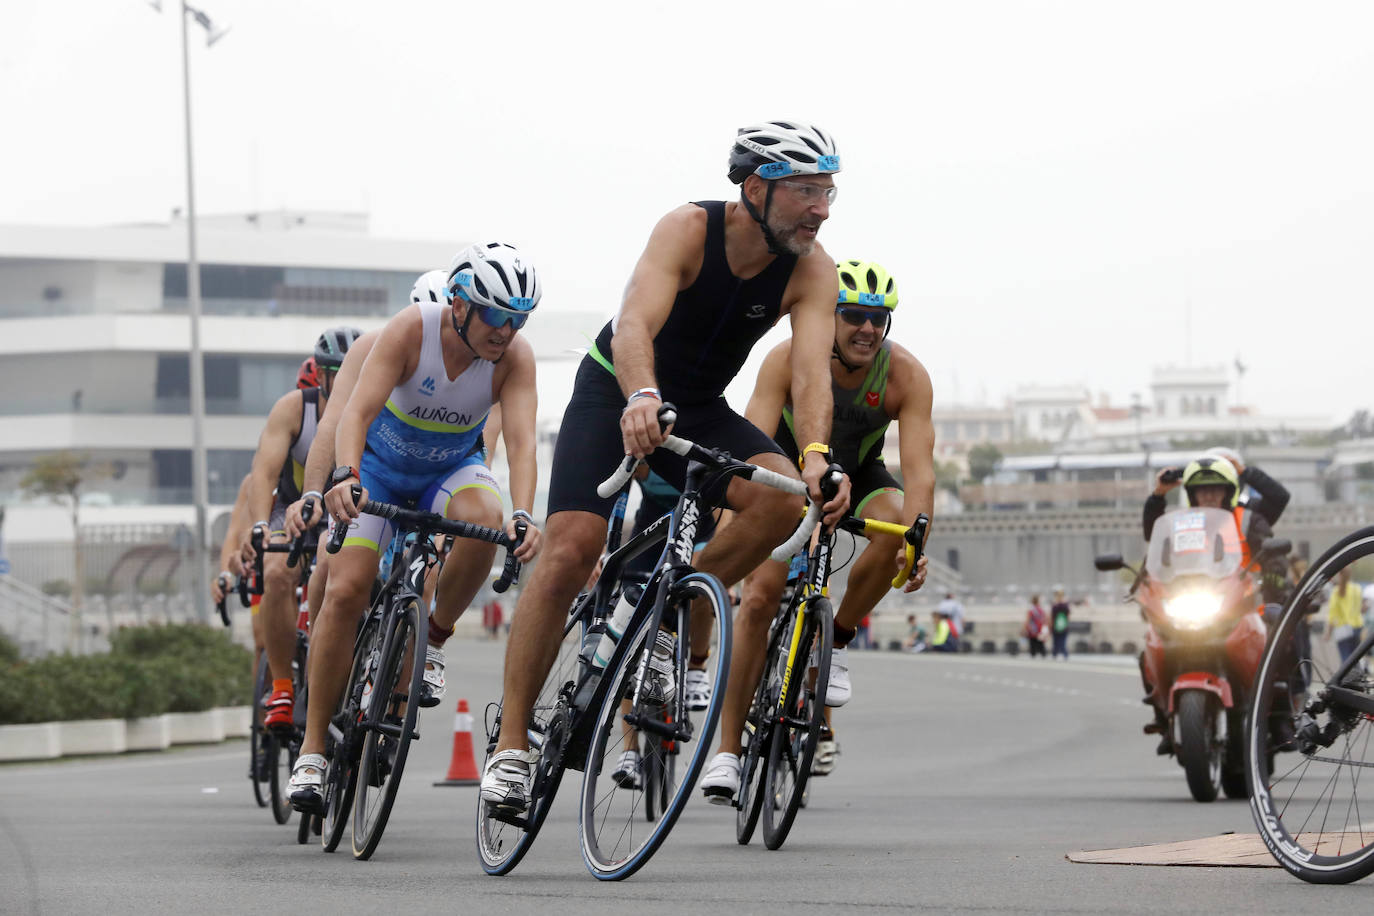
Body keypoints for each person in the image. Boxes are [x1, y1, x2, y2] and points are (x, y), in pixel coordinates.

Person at [480, 121, 851, 815]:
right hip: (616, 385)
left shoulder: (811, 269)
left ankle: (669, 612)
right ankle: (510, 748)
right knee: (571, 549)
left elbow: (810, 375)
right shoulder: (686, 230)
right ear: (756, 188)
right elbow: (633, 326)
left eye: (828, 191)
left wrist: (818, 458)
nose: (822, 208)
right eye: (806, 190)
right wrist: (641, 395)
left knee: (779, 502)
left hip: (703, 407)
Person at [288, 243, 543, 812]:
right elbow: (353, 413)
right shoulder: (411, 330)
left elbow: (523, 444)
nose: (507, 331)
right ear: (459, 305)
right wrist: (344, 476)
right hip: (378, 470)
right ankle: (311, 752)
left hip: (447, 470)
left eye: (519, 318)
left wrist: (525, 513)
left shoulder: (514, 358)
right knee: (348, 588)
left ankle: (435, 640)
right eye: (498, 315)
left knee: (487, 521)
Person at [725, 257, 934, 785]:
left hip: (859, 475)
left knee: (894, 529)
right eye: (855, 315)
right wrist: (735, 527)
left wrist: (919, 540)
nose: (868, 328)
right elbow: (749, 450)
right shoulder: (787, 357)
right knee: (758, 599)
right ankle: (726, 750)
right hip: (787, 477)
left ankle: (835, 642)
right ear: (832, 315)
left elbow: (920, 471)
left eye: (879, 318)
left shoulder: (906, 376)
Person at [241, 327, 359, 734]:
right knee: (275, 573)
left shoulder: (373, 406)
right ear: (320, 375)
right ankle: (282, 686)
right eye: (336, 373)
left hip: (344, 513)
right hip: (293, 509)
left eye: (352, 373)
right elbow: (263, 473)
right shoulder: (295, 408)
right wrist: (260, 524)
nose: (345, 381)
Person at [1325, 567, 1363, 663]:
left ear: (1339, 575)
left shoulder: (1336, 591)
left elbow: (1332, 614)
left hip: (1343, 628)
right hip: (1357, 626)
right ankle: (1357, 677)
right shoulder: (1357, 588)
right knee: (1356, 658)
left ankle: (1347, 678)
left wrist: (1328, 633)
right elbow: (1360, 607)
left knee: (1345, 658)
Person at [1023, 594, 1048, 659]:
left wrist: (1025, 628)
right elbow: (1045, 619)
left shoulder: (1031, 610)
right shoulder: (1041, 610)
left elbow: (1027, 620)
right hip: (1040, 628)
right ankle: (1043, 654)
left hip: (1033, 629)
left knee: (1032, 643)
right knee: (1040, 643)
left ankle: (1033, 654)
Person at [1049, 588, 1070, 660]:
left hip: (1060, 625)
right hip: (1060, 625)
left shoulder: (1057, 605)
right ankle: (1058, 653)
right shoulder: (1063, 605)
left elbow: (1067, 616)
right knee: (1058, 641)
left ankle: (1060, 653)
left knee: (1059, 641)